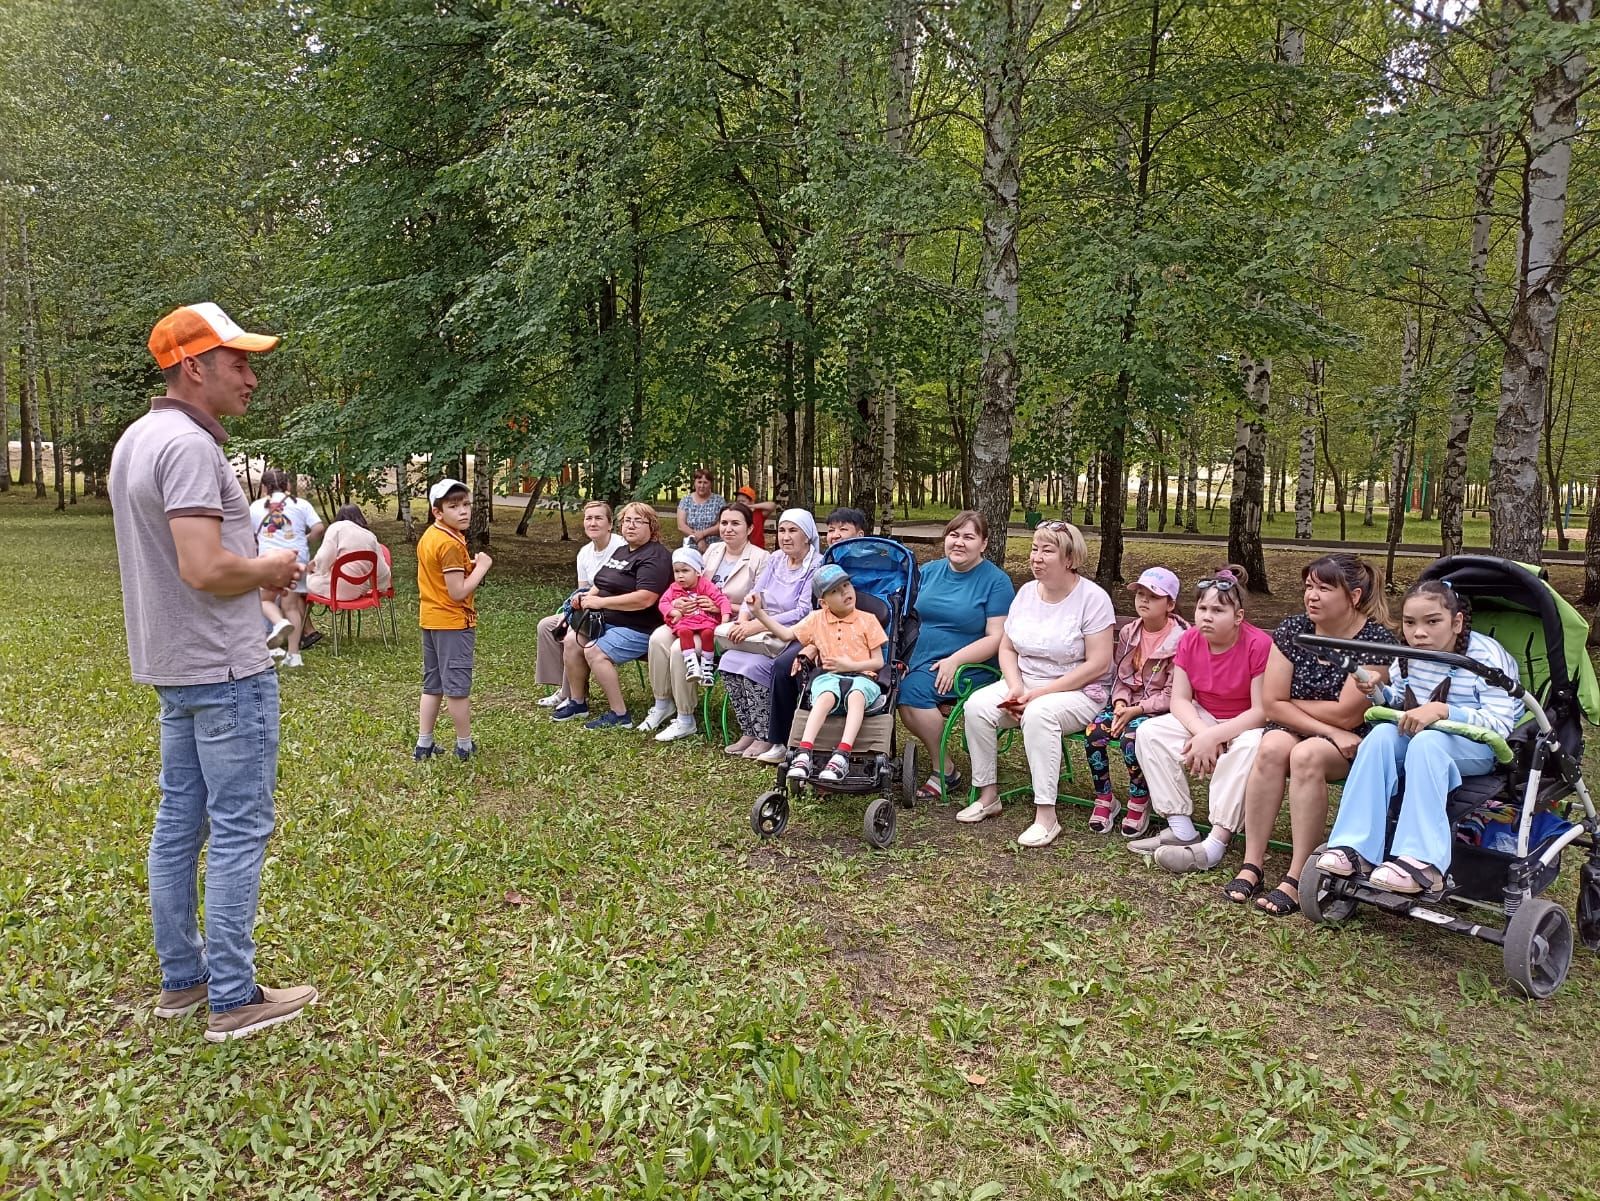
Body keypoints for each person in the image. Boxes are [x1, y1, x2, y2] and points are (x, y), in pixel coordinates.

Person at [109, 301, 315, 1041]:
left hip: (174, 668)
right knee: (238, 829)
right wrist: (271, 565)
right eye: (239, 364)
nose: (252, 378)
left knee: (178, 825)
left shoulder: (136, 439)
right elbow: (202, 564)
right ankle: (233, 996)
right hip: (226, 669)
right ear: (193, 367)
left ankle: (184, 980)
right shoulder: (191, 447)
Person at [1316, 581, 1524, 895]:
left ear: (1457, 623)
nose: (1419, 633)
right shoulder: (1407, 655)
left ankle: (1424, 861)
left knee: (1428, 742)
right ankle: (1355, 846)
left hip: (1478, 744)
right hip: (1424, 735)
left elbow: (1501, 723)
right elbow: (1401, 704)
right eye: (1410, 623)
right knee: (1381, 736)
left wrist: (1443, 711)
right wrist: (1378, 692)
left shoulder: (1486, 658)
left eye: (1432, 621)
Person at [1239, 553, 1399, 916]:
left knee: (1306, 755)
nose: (1311, 595)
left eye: (1324, 588)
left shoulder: (1374, 640)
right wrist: (1308, 717)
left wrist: (1290, 704)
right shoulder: (1294, 630)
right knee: (1271, 745)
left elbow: (1347, 713)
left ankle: (1298, 875)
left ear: (1354, 596)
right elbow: (1271, 705)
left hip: (1356, 739)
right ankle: (1253, 863)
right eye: (1309, 586)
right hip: (1311, 730)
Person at [955, 521, 1114, 848]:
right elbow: (1007, 647)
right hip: (1025, 683)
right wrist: (1014, 687)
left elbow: (1099, 663)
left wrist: (1037, 695)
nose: (1036, 558)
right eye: (1034, 549)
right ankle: (988, 795)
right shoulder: (1026, 593)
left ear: (1069, 559)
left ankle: (1046, 815)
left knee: (1039, 713)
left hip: (1077, 691)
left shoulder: (1093, 599)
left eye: (1047, 551)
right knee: (977, 707)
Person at [1128, 568, 1273, 884]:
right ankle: (1181, 829)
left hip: (1246, 722)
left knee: (1249, 748)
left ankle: (1216, 842)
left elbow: (1262, 711)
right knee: (1150, 733)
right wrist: (1203, 733)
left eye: (1218, 610)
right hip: (1203, 716)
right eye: (1202, 609)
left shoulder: (1259, 644)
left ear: (1238, 616)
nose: (1206, 616)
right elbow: (1180, 700)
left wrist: (1216, 736)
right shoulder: (1190, 639)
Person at [896, 511, 1015, 799]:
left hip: (969, 665)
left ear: (984, 544)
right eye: (954, 535)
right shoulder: (929, 571)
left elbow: (997, 637)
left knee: (911, 695)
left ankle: (945, 770)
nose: (959, 543)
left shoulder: (996, 582)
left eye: (969, 537)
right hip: (918, 656)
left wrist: (956, 660)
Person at [640, 502, 768, 741]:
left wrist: (722, 608)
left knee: (679, 649)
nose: (728, 529)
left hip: (727, 626)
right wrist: (678, 603)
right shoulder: (712, 551)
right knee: (658, 638)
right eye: (724, 523)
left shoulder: (761, 558)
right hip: (692, 618)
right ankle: (662, 702)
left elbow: (760, 605)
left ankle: (685, 717)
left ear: (750, 528)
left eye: (735, 523)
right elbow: (685, 582)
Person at [752, 505, 872, 763]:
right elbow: (819, 614)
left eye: (843, 529)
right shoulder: (825, 563)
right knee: (786, 665)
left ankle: (824, 742)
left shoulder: (872, 569)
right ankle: (782, 739)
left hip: (859, 645)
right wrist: (812, 646)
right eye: (831, 530)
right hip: (822, 637)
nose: (836, 535)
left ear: (860, 534)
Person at [751, 564, 888, 783]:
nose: (845, 592)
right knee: (823, 696)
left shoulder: (868, 619)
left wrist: (849, 666)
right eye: (835, 590)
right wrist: (758, 613)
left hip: (863, 676)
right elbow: (786, 634)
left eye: (847, 585)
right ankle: (804, 752)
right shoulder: (816, 619)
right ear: (823, 602)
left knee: (856, 696)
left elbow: (879, 661)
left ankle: (842, 754)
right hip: (830, 676)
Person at [1083, 567, 1187, 835]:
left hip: (1158, 710)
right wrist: (1119, 704)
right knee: (1095, 732)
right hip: (1128, 704)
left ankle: (1139, 799)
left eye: (1152, 596)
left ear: (1170, 604)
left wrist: (1137, 710)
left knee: (1132, 738)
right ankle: (1104, 797)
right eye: (1140, 594)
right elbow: (1121, 676)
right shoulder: (1130, 632)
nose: (1143, 600)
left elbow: (1173, 694)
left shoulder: (1182, 640)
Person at [553, 500, 673, 730]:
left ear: (652, 527)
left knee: (595, 651)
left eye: (638, 521)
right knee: (571, 640)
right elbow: (601, 582)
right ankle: (578, 702)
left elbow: (645, 598)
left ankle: (620, 715)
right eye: (627, 520)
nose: (631, 526)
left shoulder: (655, 556)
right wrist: (584, 597)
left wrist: (600, 602)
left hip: (640, 627)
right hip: (607, 621)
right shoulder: (622, 550)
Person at [716, 509, 821, 758]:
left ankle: (766, 734)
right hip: (759, 631)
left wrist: (756, 625)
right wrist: (742, 620)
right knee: (729, 661)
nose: (785, 537)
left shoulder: (816, 564)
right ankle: (749, 729)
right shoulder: (775, 559)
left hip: (788, 632)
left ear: (807, 535)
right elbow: (754, 593)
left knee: (755, 667)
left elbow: (802, 611)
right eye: (782, 530)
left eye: (792, 530)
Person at [414, 478, 492, 760]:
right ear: (438, 511)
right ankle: (465, 745)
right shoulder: (448, 544)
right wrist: (481, 567)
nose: (463, 511)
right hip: (452, 622)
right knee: (457, 688)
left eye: (466, 504)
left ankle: (424, 744)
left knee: (432, 684)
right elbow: (458, 591)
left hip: (431, 618)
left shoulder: (432, 536)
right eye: (454, 506)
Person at [535, 501, 626, 708]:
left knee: (571, 635)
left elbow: (619, 587)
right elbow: (582, 589)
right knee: (547, 626)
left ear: (610, 524)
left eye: (598, 518)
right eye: (588, 518)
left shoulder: (621, 548)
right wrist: (571, 612)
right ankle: (564, 688)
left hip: (610, 610)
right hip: (586, 609)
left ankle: (570, 695)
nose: (592, 523)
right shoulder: (584, 552)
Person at [249, 469, 324, 668]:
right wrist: (305, 540)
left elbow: (248, 534)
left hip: (270, 561)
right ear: (288, 485)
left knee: (264, 601)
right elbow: (318, 528)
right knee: (291, 607)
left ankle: (276, 629)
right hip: (296, 559)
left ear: (264, 487)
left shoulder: (256, 507)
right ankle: (294, 655)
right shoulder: (301, 504)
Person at [658, 547, 732, 683]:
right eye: (676, 571)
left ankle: (707, 666)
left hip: (704, 620)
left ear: (698, 572)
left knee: (708, 633)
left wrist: (725, 618)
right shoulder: (674, 587)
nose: (680, 575)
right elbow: (663, 602)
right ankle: (691, 664)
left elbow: (722, 600)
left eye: (685, 571)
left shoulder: (705, 585)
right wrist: (673, 610)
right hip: (685, 621)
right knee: (684, 632)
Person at [305, 504, 391, 601]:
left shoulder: (337, 527)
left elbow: (323, 558)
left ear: (339, 517)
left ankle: (300, 615)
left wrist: (315, 568)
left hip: (336, 588)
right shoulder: (370, 536)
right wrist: (378, 587)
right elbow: (381, 570)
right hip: (359, 591)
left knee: (297, 581)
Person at [676, 467, 725, 551]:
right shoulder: (686, 500)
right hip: (691, 545)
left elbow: (722, 524)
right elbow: (681, 525)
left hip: (715, 546)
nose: (702, 486)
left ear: (710, 484)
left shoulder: (719, 501)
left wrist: (702, 534)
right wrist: (699, 539)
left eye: (705, 483)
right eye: (699, 482)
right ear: (694, 483)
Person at [734, 485, 778, 549]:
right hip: (740, 549)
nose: (740, 504)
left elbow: (772, 505)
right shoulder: (735, 513)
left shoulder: (758, 513)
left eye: (743, 501)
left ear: (752, 501)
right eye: (738, 501)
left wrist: (751, 506)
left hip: (758, 549)